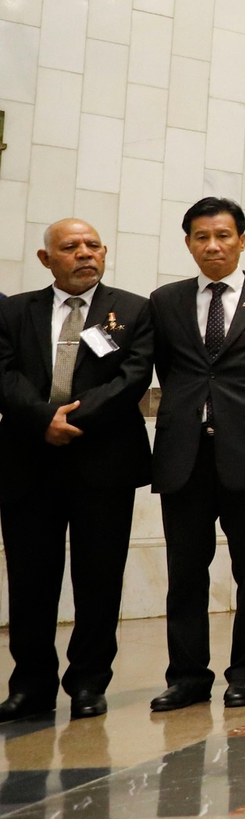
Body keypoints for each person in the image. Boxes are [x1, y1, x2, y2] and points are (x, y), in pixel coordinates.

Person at [147, 197, 245, 712]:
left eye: (224, 236)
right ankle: (187, 675)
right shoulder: (164, 300)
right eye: (201, 237)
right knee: (184, 571)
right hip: (183, 454)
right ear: (188, 242)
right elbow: (171, 371)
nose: (213, 246)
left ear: (242, 239)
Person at [0, 220, 155, 722]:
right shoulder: (15, 309)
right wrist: (43, 418)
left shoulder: (132, 309)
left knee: (99, 578)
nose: (85, 254)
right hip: (28, 460)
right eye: (71, 248)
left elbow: (133, 376)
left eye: (93, 246)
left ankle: (88, 682)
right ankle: (30, 685)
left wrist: (73, 418)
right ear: (47, 259)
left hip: (103, 460)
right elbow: (4, 373)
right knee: (30, 579)